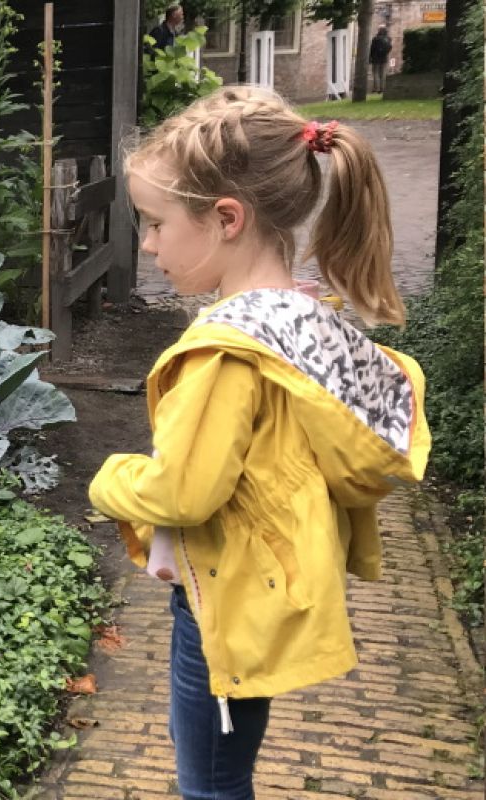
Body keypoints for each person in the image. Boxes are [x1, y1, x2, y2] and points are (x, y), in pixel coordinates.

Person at [88, 86, 429, 799]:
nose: (147, 245)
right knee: (225, 772)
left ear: (224, 219)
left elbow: (183, 491)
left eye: (153, 224)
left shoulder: (224, 354)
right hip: (259, 589)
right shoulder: (304, 319)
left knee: (209, 785)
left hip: (221, 601)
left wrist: (109, 477)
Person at [369, 27, 392, 94]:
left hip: (376, 58)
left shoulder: (376, 39)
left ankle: (376, 88)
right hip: (384, 58)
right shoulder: (388, 39)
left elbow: (372, 49)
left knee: (375, 73)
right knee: (383, 74)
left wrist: (370, 57)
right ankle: (382, 88)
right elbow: (389, 48)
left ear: (379, 31)